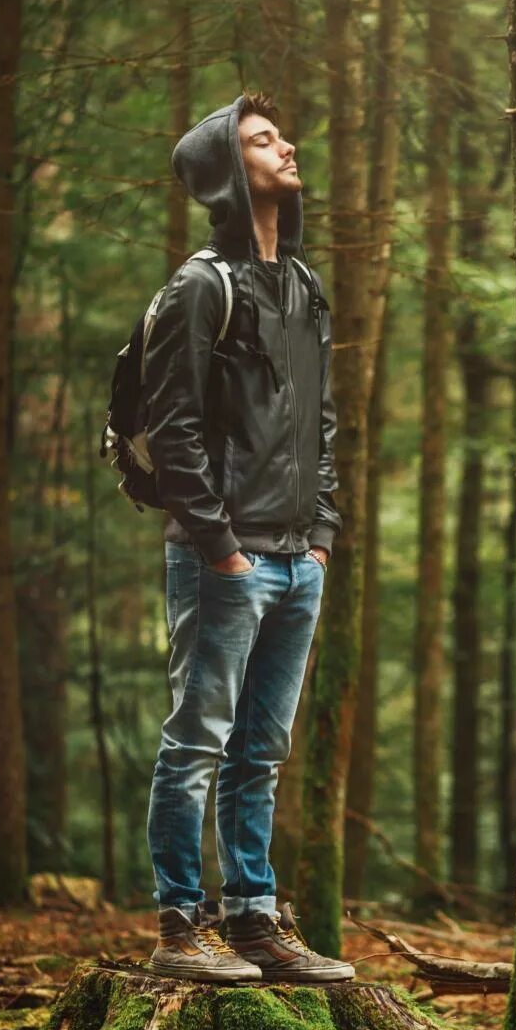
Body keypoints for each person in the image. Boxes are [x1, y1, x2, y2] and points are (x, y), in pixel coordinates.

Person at [141, 92, 354, 984]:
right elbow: (173, 424)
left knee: (261, 752)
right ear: (229, 170)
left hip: (297, 555)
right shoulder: (201, 287)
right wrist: (221, 544)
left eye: (281, 136)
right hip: (222, 558)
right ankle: (179, 927)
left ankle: (257, 919)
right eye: (263, 140)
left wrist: (323, 536)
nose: (286, 146)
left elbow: (324, 419)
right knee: (197, 742)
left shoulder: (303, 286)